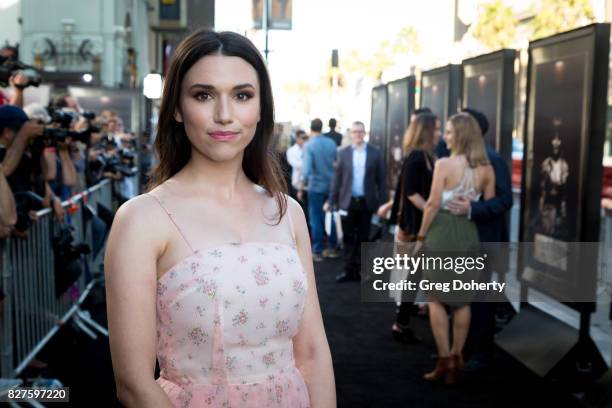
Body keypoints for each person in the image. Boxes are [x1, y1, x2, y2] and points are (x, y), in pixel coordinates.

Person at [105, 29, 335, 408]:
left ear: (261, 109)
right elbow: (133, 383)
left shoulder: (287, 212)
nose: (224, 115)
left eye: (242, 95)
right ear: (177, 108)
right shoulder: (142, 219)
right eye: (204, 95)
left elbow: (311, 352)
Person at [415, 112, 495, 384]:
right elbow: (489, 204)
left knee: (435, 297)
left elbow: (432, 204)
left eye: (449, 132)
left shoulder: (444, 164)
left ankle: (444, 359)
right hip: (468, 234)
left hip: (441, 233)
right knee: (462, 301)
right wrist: (470, 205)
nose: (445, 136)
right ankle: (458, 360)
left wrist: (420, 237)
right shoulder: (486, 168)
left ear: (459, 135)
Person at [445, 108, 513, 371]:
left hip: (483, 242)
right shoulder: (460, 158)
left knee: (480, 302)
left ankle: (480, 354)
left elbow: (505, 200)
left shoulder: (492, 159)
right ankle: (459, 352)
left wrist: (471, 209)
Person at [384, 113, 441, 343]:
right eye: (436, 129)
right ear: (427, 131)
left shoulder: (425, 156)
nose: (439, 134)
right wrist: (434, 209)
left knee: (415, 276)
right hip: (415, 227)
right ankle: (402, 322)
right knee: (413, 275)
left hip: (419, 225)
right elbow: (411, 193)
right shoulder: (417, 157)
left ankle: (403, 321)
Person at [327, 121, 386, 282]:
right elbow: (337, 180)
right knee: (347, 238)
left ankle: (360, 270)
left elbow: (381, 181)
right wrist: (330, 200)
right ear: (351, 134)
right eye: (355, 132)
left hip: (367, 202)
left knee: (363, 238)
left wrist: (383, 204)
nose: (358, 134)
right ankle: (348, 270)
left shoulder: (375, 153)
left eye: (360, 131)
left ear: (364, 133)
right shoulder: (343, 153)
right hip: (347, 202)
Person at [300, 118, 340, 262]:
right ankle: (333, 247)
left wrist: (301, 186)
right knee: (330, 217)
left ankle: (317, 250)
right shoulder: (331, 143)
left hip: (316, 187)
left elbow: (306, 170)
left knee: (316, 218)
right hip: (331, 186)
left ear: (311, 129)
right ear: (322, 127)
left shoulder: (309, 145)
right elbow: (337, 163)